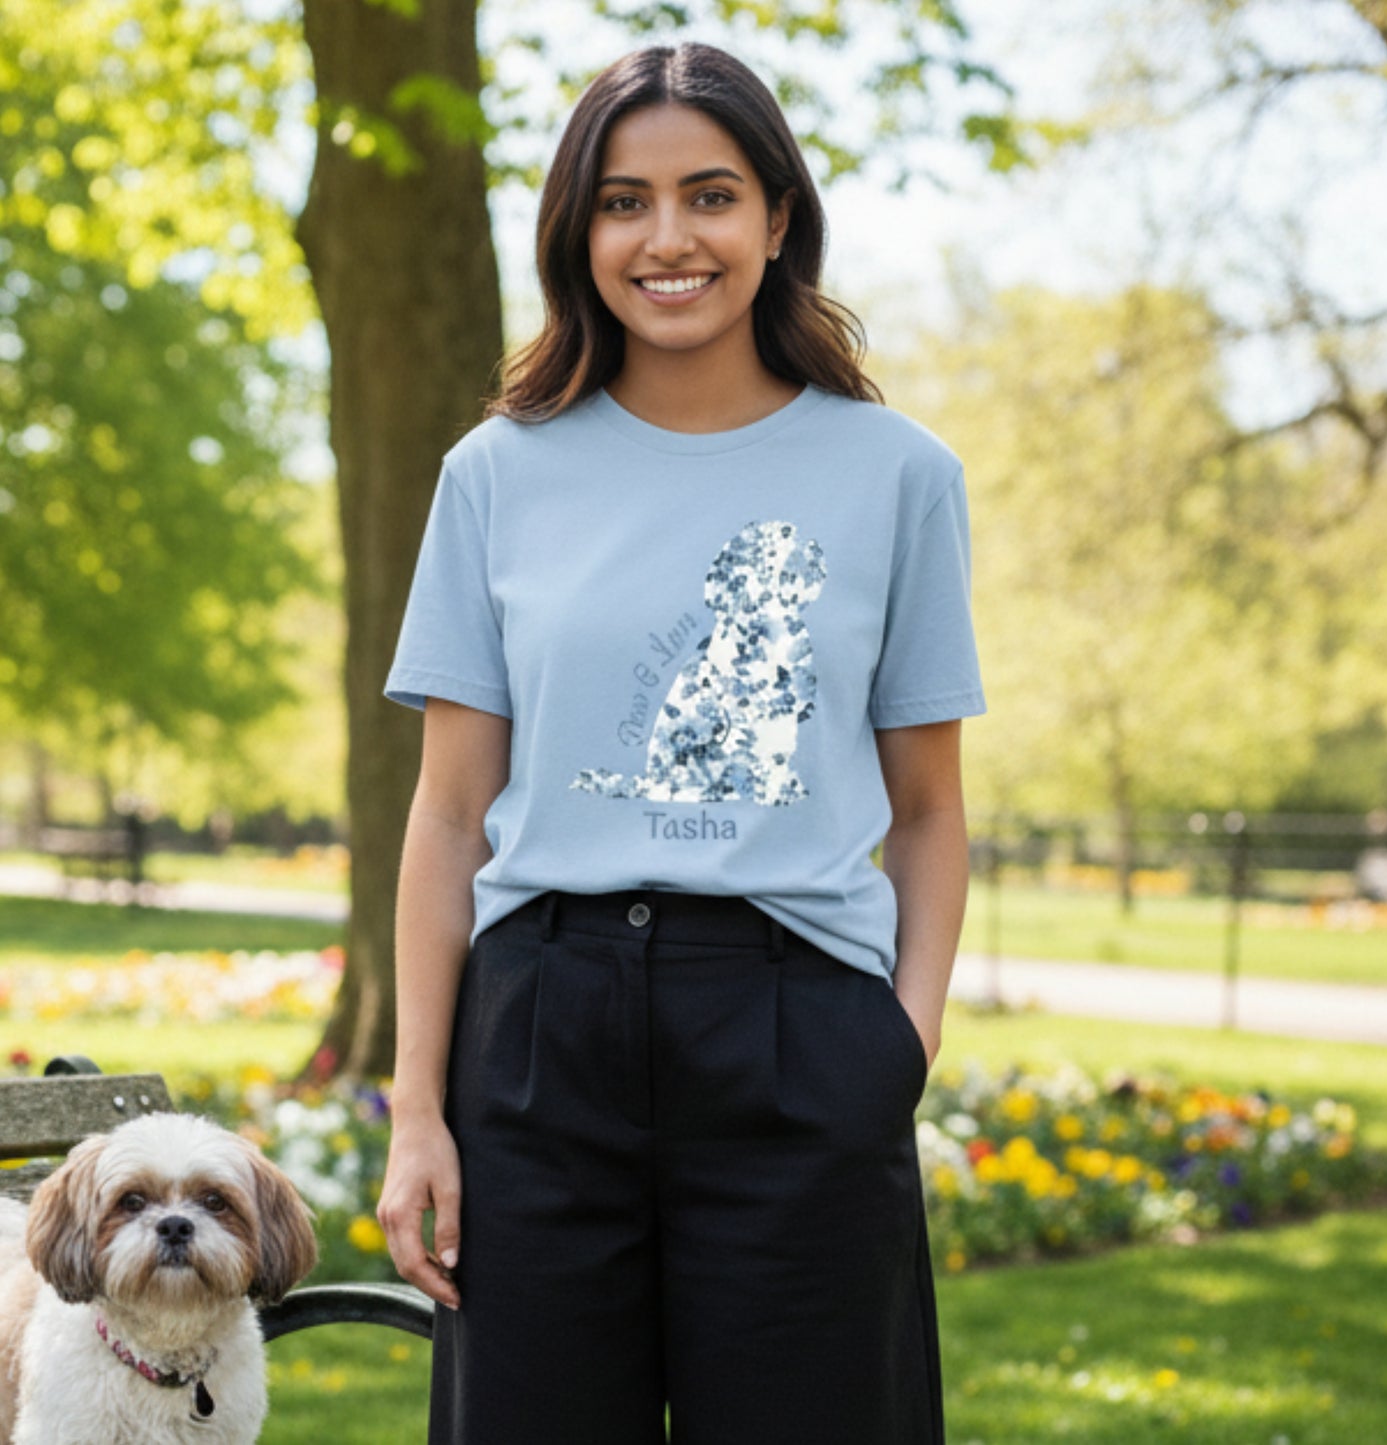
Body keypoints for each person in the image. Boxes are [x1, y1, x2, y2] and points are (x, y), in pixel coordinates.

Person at [376, 39, 986, 1445]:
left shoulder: (898, 475)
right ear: (574, 231)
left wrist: (900, 1039)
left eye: (708, 196)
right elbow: (449, 815)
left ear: (777, 220)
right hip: (536, 1037)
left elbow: (931, 810)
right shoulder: (494, 474)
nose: (665, 239)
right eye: (619, 200)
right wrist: (421, 1108)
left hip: (796, 1030)